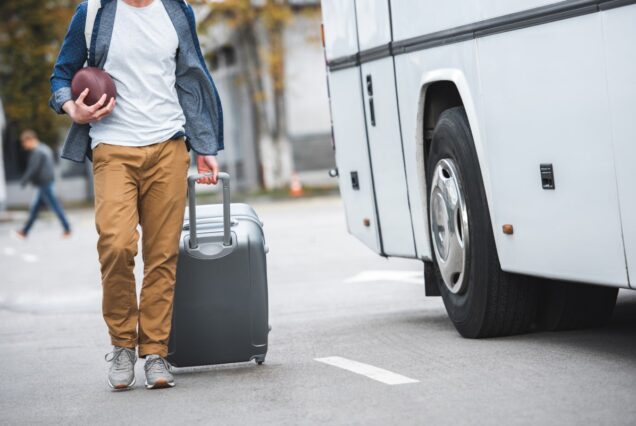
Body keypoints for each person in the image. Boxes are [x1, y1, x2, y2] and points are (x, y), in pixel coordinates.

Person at [49, 0, 224, 390]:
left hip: (168, 145)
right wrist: (70, 108)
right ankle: (123, 344)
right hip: (113, 146)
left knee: (162, 254)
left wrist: (205, 146)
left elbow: (192, 78)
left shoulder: (176, 12)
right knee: (115, 244)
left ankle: (156, 352)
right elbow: (60, 76)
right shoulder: (92, 12)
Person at [16, 130, 71, 239]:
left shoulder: (38, 151)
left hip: (44, 184)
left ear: (30, 140)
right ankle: (25, 231)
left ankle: (67, 229)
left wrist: (24, 180)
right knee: (35, 209)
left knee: (55, 207)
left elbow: (33, 168)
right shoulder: (45, 148)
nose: (24, 145)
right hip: (45, 183)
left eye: (24, 142)